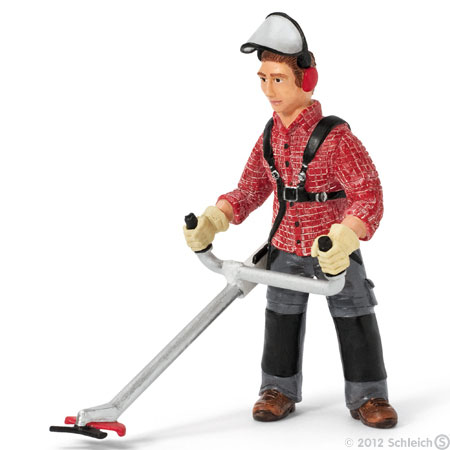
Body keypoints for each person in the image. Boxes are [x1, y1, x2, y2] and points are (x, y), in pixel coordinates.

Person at [183, 12, 397, 429]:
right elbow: (249, 190)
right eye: (263, 79)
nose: (268, 90)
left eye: (278, 79)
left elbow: (368, 196)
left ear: (306, 79)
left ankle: (370, 394)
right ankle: (277, 389)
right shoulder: (269, 137)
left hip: (331, 249)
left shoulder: (336, 139)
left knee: (354, 313)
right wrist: (215, 218)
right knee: (281, 315)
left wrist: (345, 237)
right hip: (284, 245)